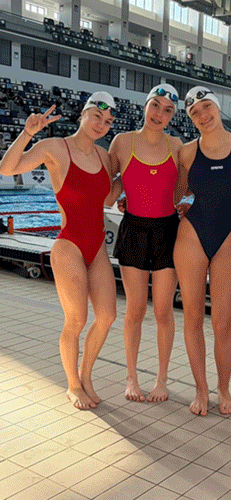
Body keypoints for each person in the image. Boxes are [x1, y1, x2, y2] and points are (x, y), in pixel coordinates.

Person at [0, 93, 118, 409]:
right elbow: (8, 168)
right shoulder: (56, 148)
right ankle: (72, 385)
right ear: (83, 114)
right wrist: (28, 133)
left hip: (98, 248)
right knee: (76, 319)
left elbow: (107, 197)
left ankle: (86, 375)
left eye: (108, 122)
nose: (102, 125)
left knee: (107, 315)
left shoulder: (105, 158)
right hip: (68, 246)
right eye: (97, 116)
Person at [173, 86, 231, 416]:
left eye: (206, 106)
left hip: (226, 237)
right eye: (195, 112)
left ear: (218, 107)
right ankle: (201, 389)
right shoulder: (186, 152)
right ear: (191, 119)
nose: (202, 114)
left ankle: (224, 388)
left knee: (223, 323)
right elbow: (177, 195)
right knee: (193, 316)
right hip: (191, 236)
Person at [107, 84, 184, 403]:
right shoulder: (122, 142)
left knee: (164, 311)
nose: (160, 114)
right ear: (145, 106)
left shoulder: (178, 145)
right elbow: (107, 185)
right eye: (156, 105)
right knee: (135, 310)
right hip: (133, 230)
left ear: (173, 116)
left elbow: (184, 190)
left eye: (167, 110)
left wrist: (189, 205)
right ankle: (132, 379)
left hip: (168, 231)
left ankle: (162, 380)